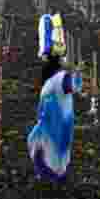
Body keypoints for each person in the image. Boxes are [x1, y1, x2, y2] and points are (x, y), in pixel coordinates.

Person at [28, 13, 82, 182]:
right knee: (41, 143)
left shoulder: (59, 78)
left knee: (51, 147)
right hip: (52, 119)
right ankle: (50, 175)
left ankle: (53, 176)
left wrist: (75, 73)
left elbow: (74, 86)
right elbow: (74, 86)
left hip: (58, 120)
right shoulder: (54, 78)